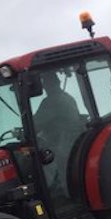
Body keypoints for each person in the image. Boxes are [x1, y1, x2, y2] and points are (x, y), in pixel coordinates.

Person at [33, 71, 82, 200]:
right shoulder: (66, 97)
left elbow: (36, 124)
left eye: (47, 83)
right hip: (67, 139)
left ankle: (60, 196)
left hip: (63, 142)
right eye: (46, 84)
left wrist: (24, 130)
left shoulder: (53, 101)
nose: (46, 87)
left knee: (43, 161)